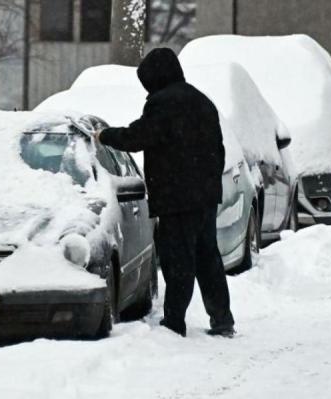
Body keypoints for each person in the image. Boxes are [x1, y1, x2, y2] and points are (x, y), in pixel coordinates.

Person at [94, 48, 235, 338]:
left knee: (178, 261)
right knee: (208, 258)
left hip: (177, 198)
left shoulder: (163, 104)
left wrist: (104, 135)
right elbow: (218, 150)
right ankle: (222, 319)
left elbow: (138, 137)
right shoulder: (202, 101)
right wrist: (206, 183)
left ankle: (174, 322)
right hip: (205, 197)